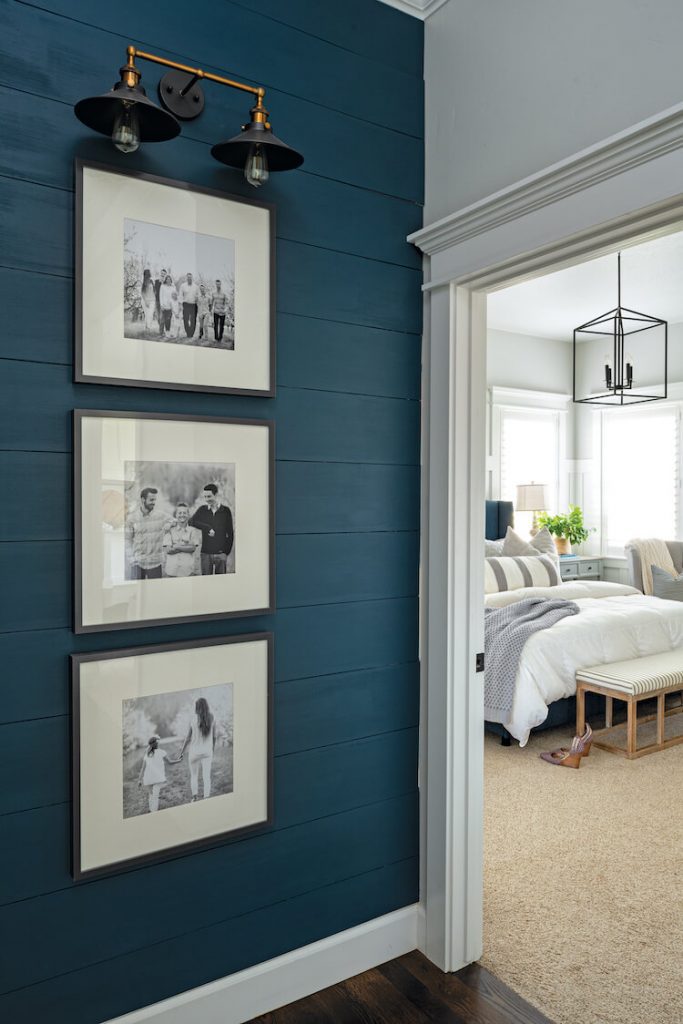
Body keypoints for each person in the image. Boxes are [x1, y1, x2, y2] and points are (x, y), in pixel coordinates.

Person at [189, 483, 234, 575]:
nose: (207, 500)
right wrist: (207, 527)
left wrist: (226, 553)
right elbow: (191, 521)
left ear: (216, 495)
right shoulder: (202, 509)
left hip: (221, 554)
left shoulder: (226, 511)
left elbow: (230, 533)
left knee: (221, 583)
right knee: (205, 582)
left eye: (209, 496)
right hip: (206, 553)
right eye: (205, 497)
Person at [178, 698, 216, 801]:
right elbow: (214, 736)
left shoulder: (193, 719)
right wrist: (212, 749)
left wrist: (182, 752)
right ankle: (206, 797)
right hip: (207, 752)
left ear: (197, 707)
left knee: (194, 776)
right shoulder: (212, 717)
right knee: (206, 776)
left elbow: (188, 738)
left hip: (194, 752)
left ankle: (194, 797)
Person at [125, 487, 168, 579]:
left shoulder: (161, 516)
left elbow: (178, 521)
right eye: (151, 500)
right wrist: (131, 558)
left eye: (155, 500)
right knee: (137, 591)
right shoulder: (132, 518)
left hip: (155, 563)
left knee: (155, 591)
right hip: (138, 563)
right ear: (143, 499)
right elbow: (127, 539)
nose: (153, 502)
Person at [136, 734, 181, 813]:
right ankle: (154, 812)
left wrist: (139, 780)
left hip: (148, 778)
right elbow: (170, 762)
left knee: (151, 795)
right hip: (157, 778)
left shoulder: (147, 754)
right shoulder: (162, 752)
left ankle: (152, 811)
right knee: (155, 796)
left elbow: (142, 768)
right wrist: (179, 760)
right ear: (157, 744)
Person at [162, 502, 202, 577]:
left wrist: (176, 546)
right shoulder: (169, 530)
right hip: (172, 571)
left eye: (184, 513)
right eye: (179, 513)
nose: (182, 515)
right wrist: (185, 546)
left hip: (187, 571)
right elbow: (168, 550)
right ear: (175, 515)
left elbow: (192, 548)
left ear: (188, 515)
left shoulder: (192, 531)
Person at [178, 271, 199, 339]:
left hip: (193, 305)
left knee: (193, 320)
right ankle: (188, 332)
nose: (189, 279)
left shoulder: (196, 286)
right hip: (186, 304)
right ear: (186, 278)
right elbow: (180, 295)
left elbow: (198, 296)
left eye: (190, 277)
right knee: (185, 319)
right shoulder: (183, 285)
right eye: (188, 278)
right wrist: (181, 305)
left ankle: (191, 334)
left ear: (192, 278)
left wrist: (197, 300)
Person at [158, 273, 175, 338]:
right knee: (162, 320)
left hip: (170, 306)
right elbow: (160, 296)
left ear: (171, 280)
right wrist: (161, 305)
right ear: (165, 280)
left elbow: (174, 296)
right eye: (167, 279)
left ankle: (168, 332)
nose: (168, 280)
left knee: (169, 320)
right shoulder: (162, 286)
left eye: (169, 279)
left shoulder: (173, 287)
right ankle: (161, 333)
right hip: (164, 306)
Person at [140, 268, 156, 333]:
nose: (150, 273)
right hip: (145, 301)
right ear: (147, 274)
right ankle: (147, 328)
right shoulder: (144, 282)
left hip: (152, 300)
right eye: (149, 272)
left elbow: (154, 290)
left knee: (151, 314)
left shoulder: (151, 281)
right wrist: (146, 301)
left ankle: (148, 327)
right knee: (147, 315)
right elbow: (142, 293)